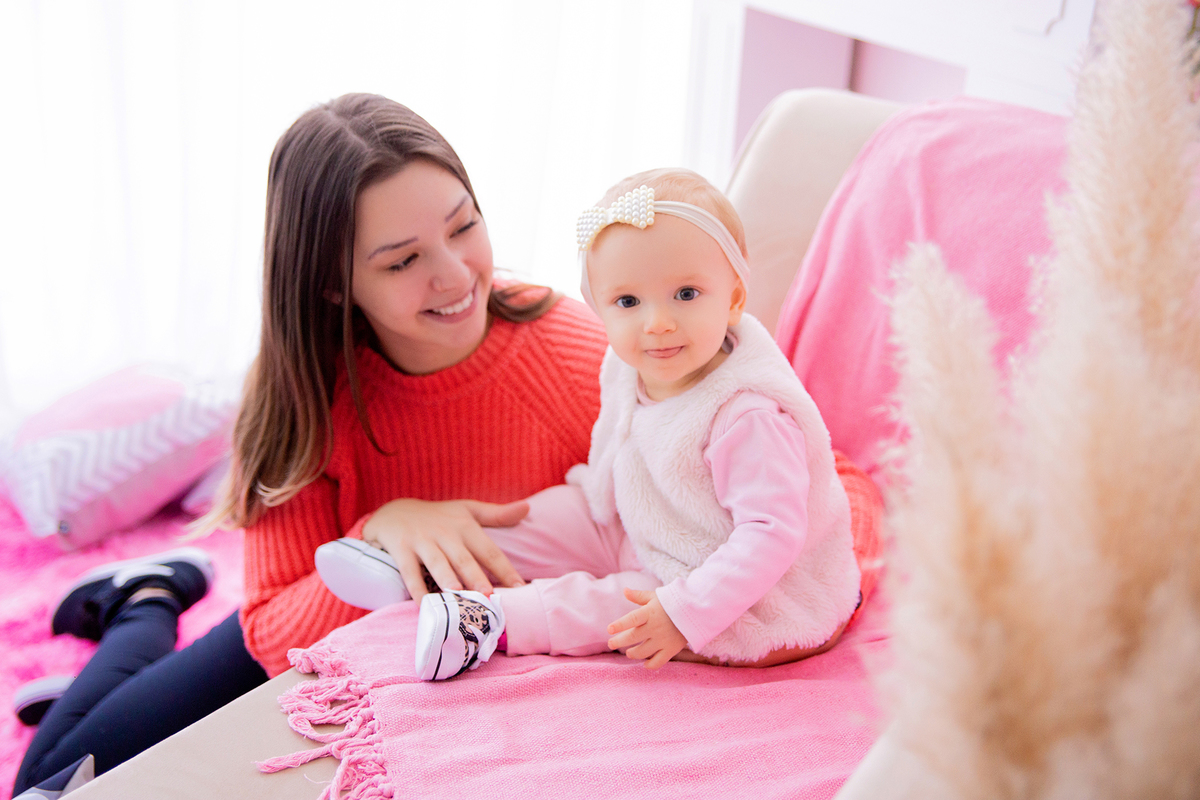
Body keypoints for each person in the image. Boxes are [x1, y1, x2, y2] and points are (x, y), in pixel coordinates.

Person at [11, 92, 609, 798]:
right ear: (332, 285)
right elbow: (268, 623)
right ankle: (146, 596)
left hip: (478, 648)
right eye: (401, 260)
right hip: (311, 636)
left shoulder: (576, 356)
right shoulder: (303, 393)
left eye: (464, 226)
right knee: (46, 777)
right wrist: (380, 541)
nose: (453, 274)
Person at [388, 168, 864, 680]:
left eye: (685, 294)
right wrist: (591, 504)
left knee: (619, 604)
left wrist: (683, 612)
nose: (656, 322)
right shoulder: (630, 364)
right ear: (601, 309)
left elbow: (771, 534)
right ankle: (422, 563)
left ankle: (489, 622)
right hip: (646, 520)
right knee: (547, 513)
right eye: (628, 302)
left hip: (732, 587)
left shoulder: (746, 415)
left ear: (734, 299)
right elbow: (618, 452)